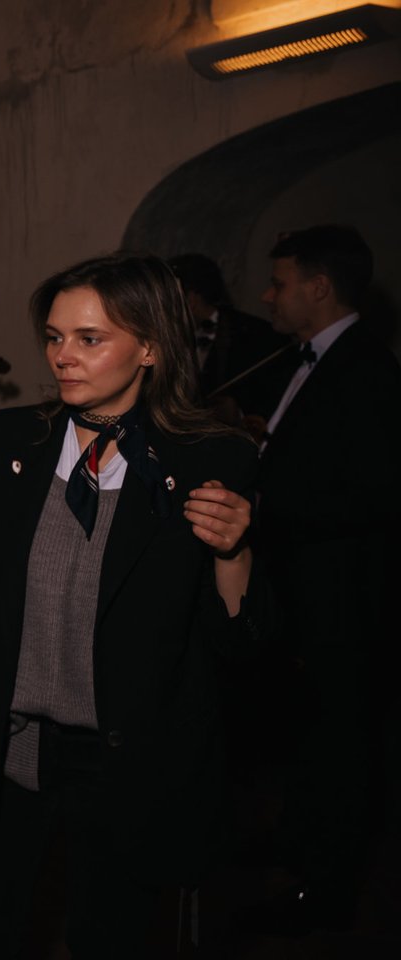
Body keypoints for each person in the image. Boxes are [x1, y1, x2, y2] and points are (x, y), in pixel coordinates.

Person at [0, 253, 261, 957]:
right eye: (54, 337)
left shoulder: (209, 457)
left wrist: (234, 551)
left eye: (89, 338)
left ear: (151, 347)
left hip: (128, 762)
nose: (62, 356)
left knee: (110, 938)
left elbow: (239, 645)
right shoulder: (10, 440)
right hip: (11, 748)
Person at [242, 224, 401, 934]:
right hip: (304, 592)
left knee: (341, 745)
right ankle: (296, 843)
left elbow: (371, 493)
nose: (266, 296)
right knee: (308, 733)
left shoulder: (367, 369)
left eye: (279, 283)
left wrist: (262, 502)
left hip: (342, 599)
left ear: (319, 287)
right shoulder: (309, 358)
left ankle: (326, 894)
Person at [167, 252, 291, 427]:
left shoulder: (257, 336)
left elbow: (272, 398)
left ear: (192, 299)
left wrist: (238, 414)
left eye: (167, 300)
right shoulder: (165, 336)